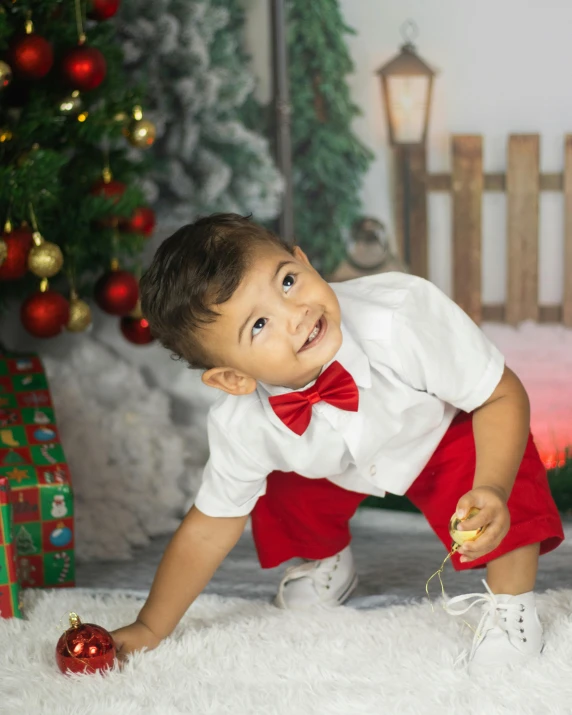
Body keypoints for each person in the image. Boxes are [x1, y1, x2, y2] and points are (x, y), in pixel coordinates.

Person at [111, 213, 564, 675]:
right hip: (338, 467)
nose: (296, 314)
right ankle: (328, 557)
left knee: (505, 468)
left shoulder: (402, 315)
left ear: (302, 259)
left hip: (444, 434)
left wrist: (491, 486)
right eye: (260, 325)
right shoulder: (241, 422)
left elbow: (500, 394)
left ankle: (510, 605)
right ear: (232, 377)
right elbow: (208, 527)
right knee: (276, 486)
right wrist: (151, 626)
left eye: (287, 281)